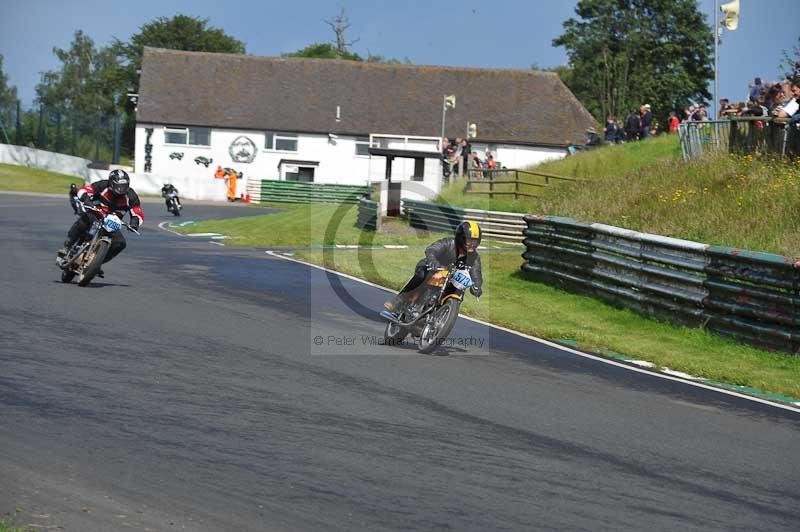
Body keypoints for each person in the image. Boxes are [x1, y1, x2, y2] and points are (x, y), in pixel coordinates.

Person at [383, 221, 484, 315]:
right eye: (469, 241)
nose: (472, 244)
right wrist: (434, 261)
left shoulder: (474, 258)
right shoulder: (449, 243)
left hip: (451, 278)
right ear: (460, 238)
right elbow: (432, 249)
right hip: (432, 267)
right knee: (422, 275)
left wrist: (477, 287)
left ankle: (438, 317)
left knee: (459, 291)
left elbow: (476, 274)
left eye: (475, 242)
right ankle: (399, 300)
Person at [57, 169, 143, 274]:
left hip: (111, 223)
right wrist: (86, 199)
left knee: (120, 243)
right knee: (85, 219)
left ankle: (97, 262)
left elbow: (137, 212)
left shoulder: (131, 196)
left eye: (124, 186)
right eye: (118, 186)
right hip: (96, 214)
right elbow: (84, 190)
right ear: (111, 183)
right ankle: (67, 245)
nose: (121, 189)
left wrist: (134, 223)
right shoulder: (102, 185)